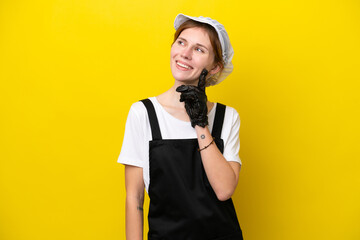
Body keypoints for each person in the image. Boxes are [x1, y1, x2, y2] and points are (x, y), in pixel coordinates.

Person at [118, 13, 244, 240]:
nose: (184, 53)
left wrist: (201, 123)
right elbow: (134, 198)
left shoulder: (227, 117)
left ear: (215, 67)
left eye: (199, 49)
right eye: (181, 42)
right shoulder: (143, 114)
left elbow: (224, 190)